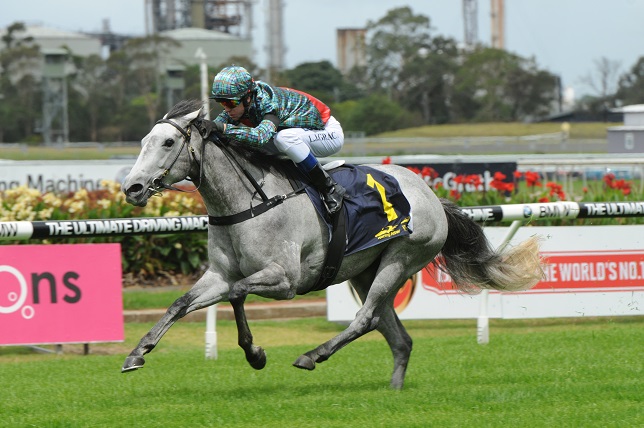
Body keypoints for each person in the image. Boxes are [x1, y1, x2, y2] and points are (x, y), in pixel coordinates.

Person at [209, 65, 346, 215]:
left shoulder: (268, 102)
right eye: (222, 103)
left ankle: (330, 188)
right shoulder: (243, 103)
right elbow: (215, 127)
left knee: (283, 138)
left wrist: (222, 128)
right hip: (303, 134)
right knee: (242, 141)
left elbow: (260, 137)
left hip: (328, 133)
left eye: (230, 103)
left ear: (247, 98)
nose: (227, 109)